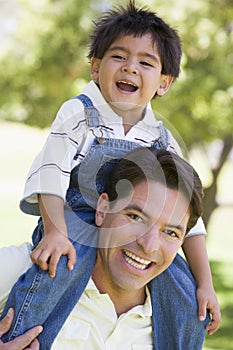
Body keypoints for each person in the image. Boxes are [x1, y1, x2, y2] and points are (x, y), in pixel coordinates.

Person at [0, 1, 221, 348]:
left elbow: (190, 221)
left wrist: (204, 283)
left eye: (145, 63)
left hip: (115, 225)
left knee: (185, 293)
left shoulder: (161, 138)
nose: (131, 68)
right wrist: (55, 234)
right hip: (71, 222)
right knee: (58, 270)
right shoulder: (78, 114)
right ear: (95, 66)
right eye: (119, 57)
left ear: (164, 83)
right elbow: (51, 174)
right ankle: (20, 334)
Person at [1, 148, 211, 349]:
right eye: (135, 217)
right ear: (102, 209)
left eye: (171, 233)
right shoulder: (27, 270)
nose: (148, 246)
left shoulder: (181, 322)